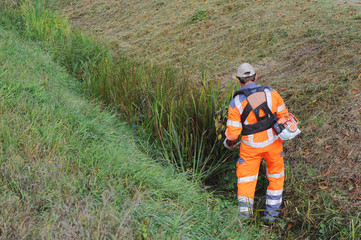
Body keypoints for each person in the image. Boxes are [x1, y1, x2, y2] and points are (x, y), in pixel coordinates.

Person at [223, 63, 288, 222]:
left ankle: (245, 219)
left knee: (246, 180)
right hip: (273, 144)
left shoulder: (236, 102)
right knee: (276, 177)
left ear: (238, 80)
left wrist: (228, 142)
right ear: (256, 76)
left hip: (250, 149)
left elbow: (233, 133)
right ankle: (271, 217)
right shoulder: (272, 93)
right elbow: (283, 116)